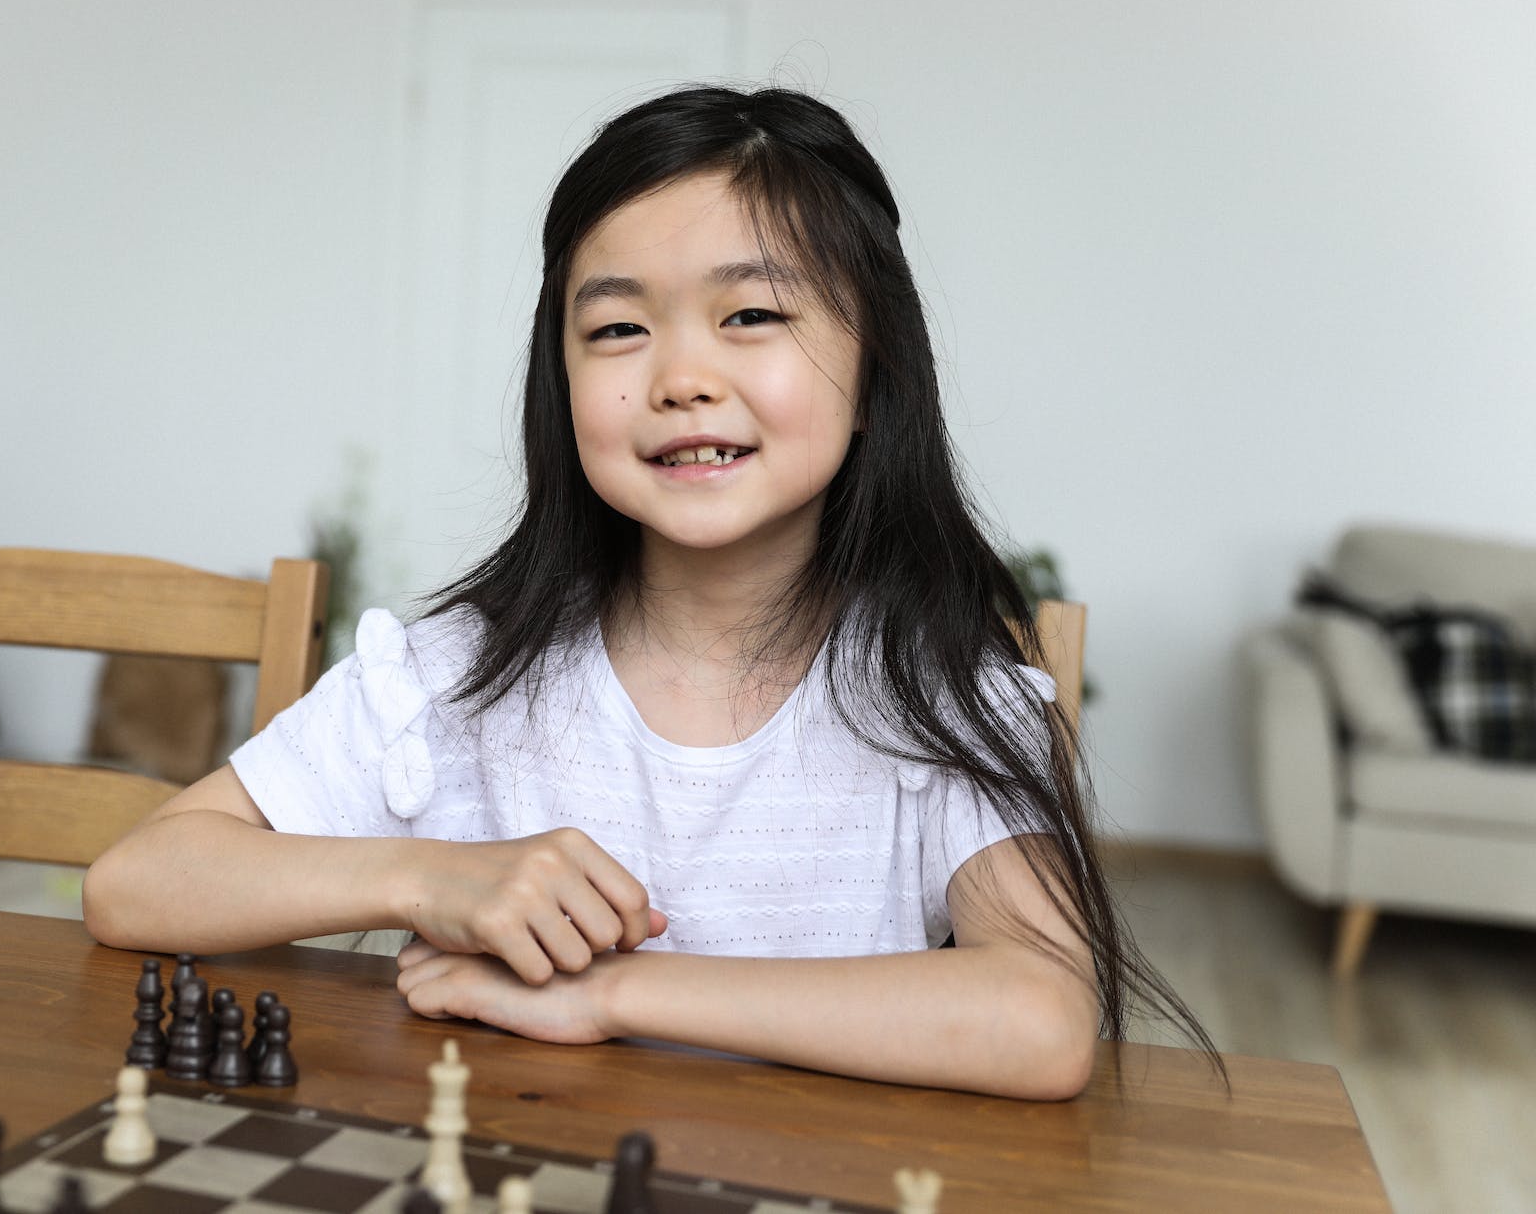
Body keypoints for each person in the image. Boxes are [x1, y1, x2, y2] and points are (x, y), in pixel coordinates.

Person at [84, 85, 1216, 1099]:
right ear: (559, 380)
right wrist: (427, 874)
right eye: (617, 328)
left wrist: (616, 991)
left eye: (752, 315)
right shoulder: (457, 679)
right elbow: (136, 882)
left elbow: (1041, 1021)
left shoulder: (940, 697)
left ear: (874, 372)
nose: (679, 378)